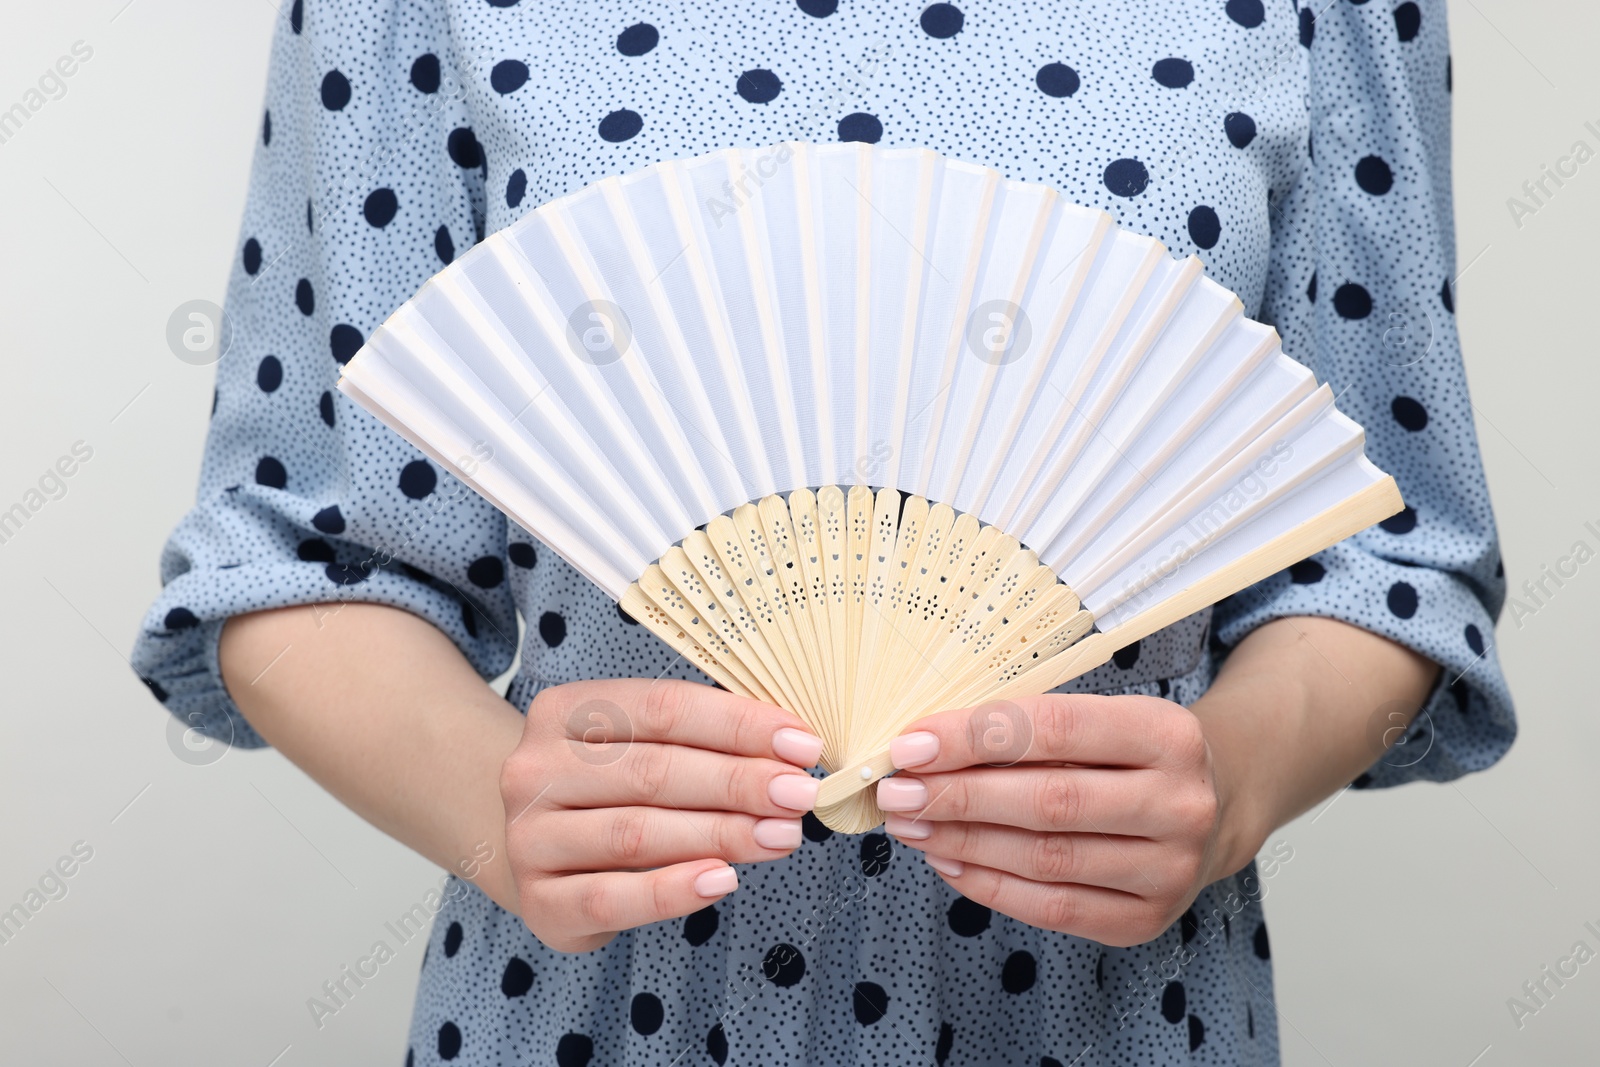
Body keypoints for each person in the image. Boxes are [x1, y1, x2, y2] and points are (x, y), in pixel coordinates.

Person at [134, 1, 1514, 1063]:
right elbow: (296, 553)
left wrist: (1231, 781)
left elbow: (1393, 550)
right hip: (593, 1010)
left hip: (1113, 1012)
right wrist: (496, 805)